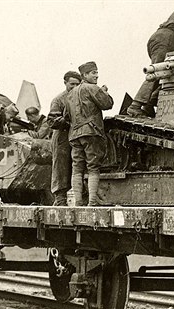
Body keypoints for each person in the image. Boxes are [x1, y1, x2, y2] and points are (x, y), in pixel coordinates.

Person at [65, 62, 114, 206]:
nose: (96, 75)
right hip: (91, 132)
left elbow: (66, 115)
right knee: (93, 167)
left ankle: (78, 202)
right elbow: (108, 104)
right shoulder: (92, 88)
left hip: (74, 135)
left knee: (77, 167)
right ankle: (92, 202)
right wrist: (103, 92)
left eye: (96, 72)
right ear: (84, 75)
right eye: (93, 72)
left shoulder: (70, 94)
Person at [47, 71, 82, 206]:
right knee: (61, 166)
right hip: (62, 137)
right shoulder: (59, 100)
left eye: (77, 84)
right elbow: (51, 121)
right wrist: (66, 120)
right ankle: (60, 198)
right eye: (71, 84)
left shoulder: (81, 97)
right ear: (65, 83)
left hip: (77, 136)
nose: (74, 87)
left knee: (78, 164)